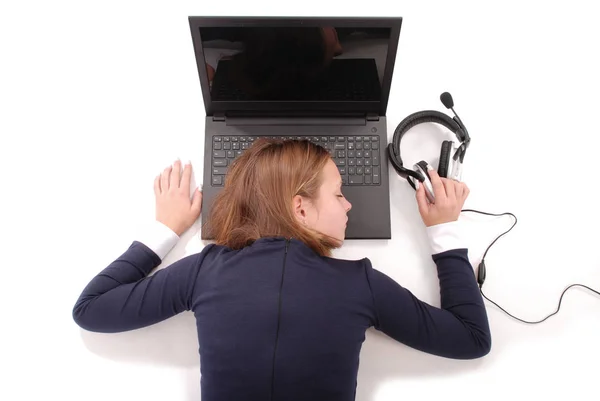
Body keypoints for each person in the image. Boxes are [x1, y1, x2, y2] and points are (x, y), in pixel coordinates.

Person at [72, 138, 490, 401]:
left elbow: (90, 310)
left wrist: (166, 229)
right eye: (339, 194)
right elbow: (471, 338)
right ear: (300, 207)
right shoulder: (359, 285)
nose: (348, 205)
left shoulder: (205, 271)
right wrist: (445, 234)